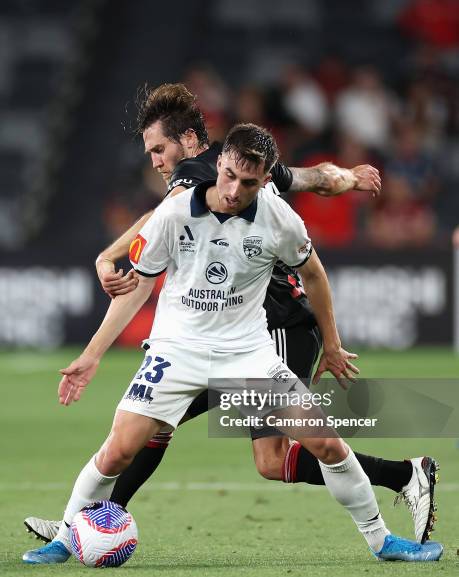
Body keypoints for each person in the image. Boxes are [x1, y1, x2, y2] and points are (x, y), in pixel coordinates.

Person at [24, 84, 437, 546]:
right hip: (230, 330)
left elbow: (158, 218)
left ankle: (405, 478)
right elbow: (314, 177)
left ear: (189, 140)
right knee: (166, 429)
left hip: (274, 324)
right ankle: (90, 524)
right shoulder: (250, 163)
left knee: (259, 452)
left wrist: (107, 256)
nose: (156, 161)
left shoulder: (198, 176)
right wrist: (349, 177)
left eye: (160, 149)